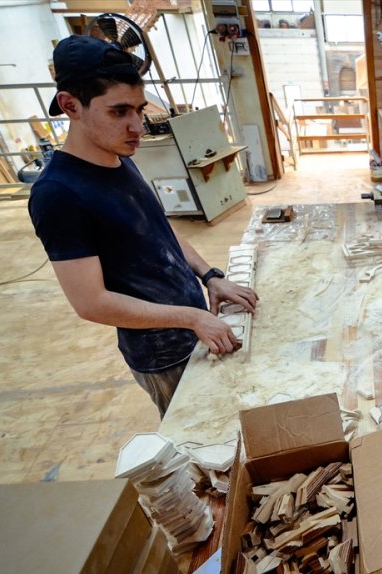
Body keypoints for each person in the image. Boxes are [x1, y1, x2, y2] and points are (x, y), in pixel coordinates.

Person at [29, 35, 258, 418]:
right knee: (201, 440)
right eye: (119, 112)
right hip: (162, 354)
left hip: (194, 327)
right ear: (71, 106)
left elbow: (160, 234)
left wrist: (210, 276)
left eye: (138, 109)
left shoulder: (118, 158)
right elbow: (91, 303)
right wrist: (190, 317)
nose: (137, 126)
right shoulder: (58, 194)